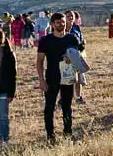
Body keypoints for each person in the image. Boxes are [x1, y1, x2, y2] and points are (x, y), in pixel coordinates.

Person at [36, 11, 84, 142]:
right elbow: (39, 61)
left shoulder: (72, 38)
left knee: (67, 107)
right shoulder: (45, 40)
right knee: (49, 107)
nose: (61, 24)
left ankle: (68, 133)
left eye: (63, 22)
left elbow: (77, 57)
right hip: (51, 77)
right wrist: (41, 80)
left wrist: (73, 60)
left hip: (68, 77)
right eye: (58, 22)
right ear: (52, 24)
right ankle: (50, 136)